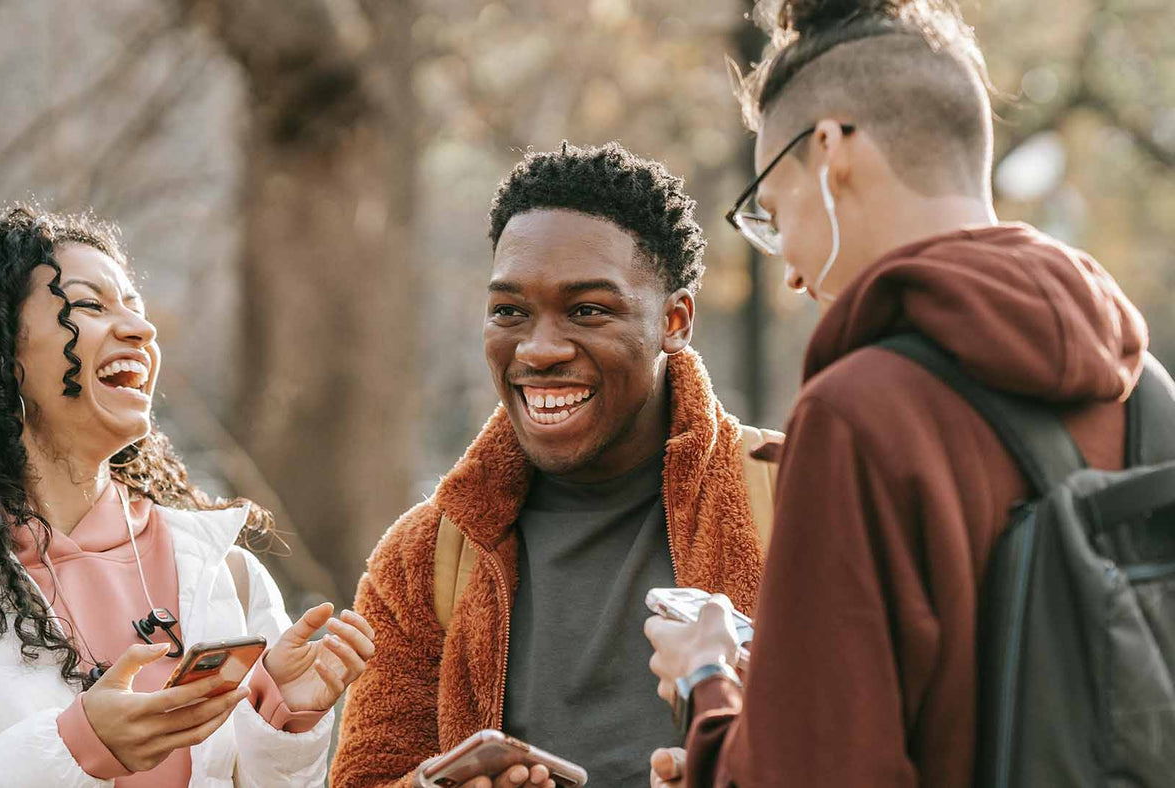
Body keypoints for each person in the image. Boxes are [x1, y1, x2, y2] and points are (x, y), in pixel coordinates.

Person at [643, 0, 1155, 785]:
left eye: (774, 215)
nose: (788, 268)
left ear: (829, 149)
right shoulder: (1144, 388)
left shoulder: (859, 416)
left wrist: (707, 683)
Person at [0, 206, 375, 787]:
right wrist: (76, 750)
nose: (141, 331)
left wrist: (284, 719)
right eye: (90, 306)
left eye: (136, 310)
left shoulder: (226, 573)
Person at [331, 142, 779, 788]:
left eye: (588, 310)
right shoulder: (423, 561)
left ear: (674, 321)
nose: (538, 350)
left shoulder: (794, 500)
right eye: (510, 311)